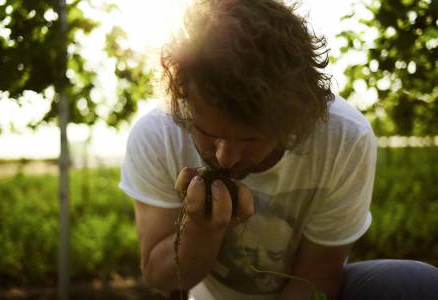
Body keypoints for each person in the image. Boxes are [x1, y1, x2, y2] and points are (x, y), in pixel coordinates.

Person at [119, 0, 438, 299]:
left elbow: (319, 275)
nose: (224, 158)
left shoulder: (344, 138)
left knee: (412, 283)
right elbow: (159, 278)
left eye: (250, 139)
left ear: (293, 123)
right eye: (207, 134)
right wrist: (202, 228)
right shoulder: (156, 135)